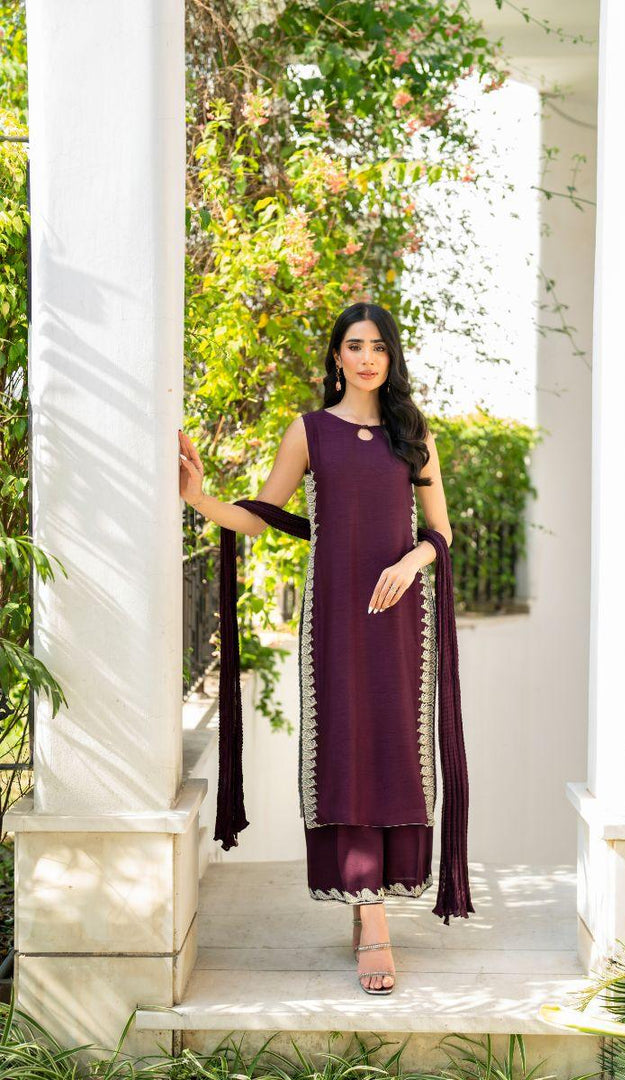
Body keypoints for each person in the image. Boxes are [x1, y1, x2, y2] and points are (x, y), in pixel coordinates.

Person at [179, 301, 468, 996]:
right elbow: (264, 515)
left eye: (378, 347)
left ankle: (372, 903)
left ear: (391, 357)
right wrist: (202, 500)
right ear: (336, 356)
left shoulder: (413, 433)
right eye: (354, 346)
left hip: (400, 619)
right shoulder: (308, 432)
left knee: (395, 747)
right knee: (344, 746)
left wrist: (412, 562)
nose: (367, 358)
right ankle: (370, 912)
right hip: (335, 616)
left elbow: (441, 532)